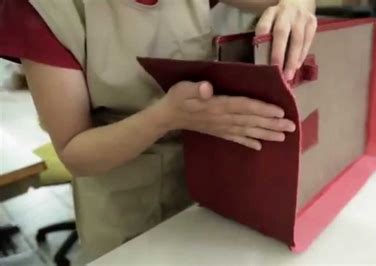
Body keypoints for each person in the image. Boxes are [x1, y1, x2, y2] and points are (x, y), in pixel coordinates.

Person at [0, 0, 317, 262]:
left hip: (211, 193)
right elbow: (75, 152)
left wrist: (298, 5)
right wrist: (166, 117)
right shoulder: (46, 10)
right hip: (123, 205)